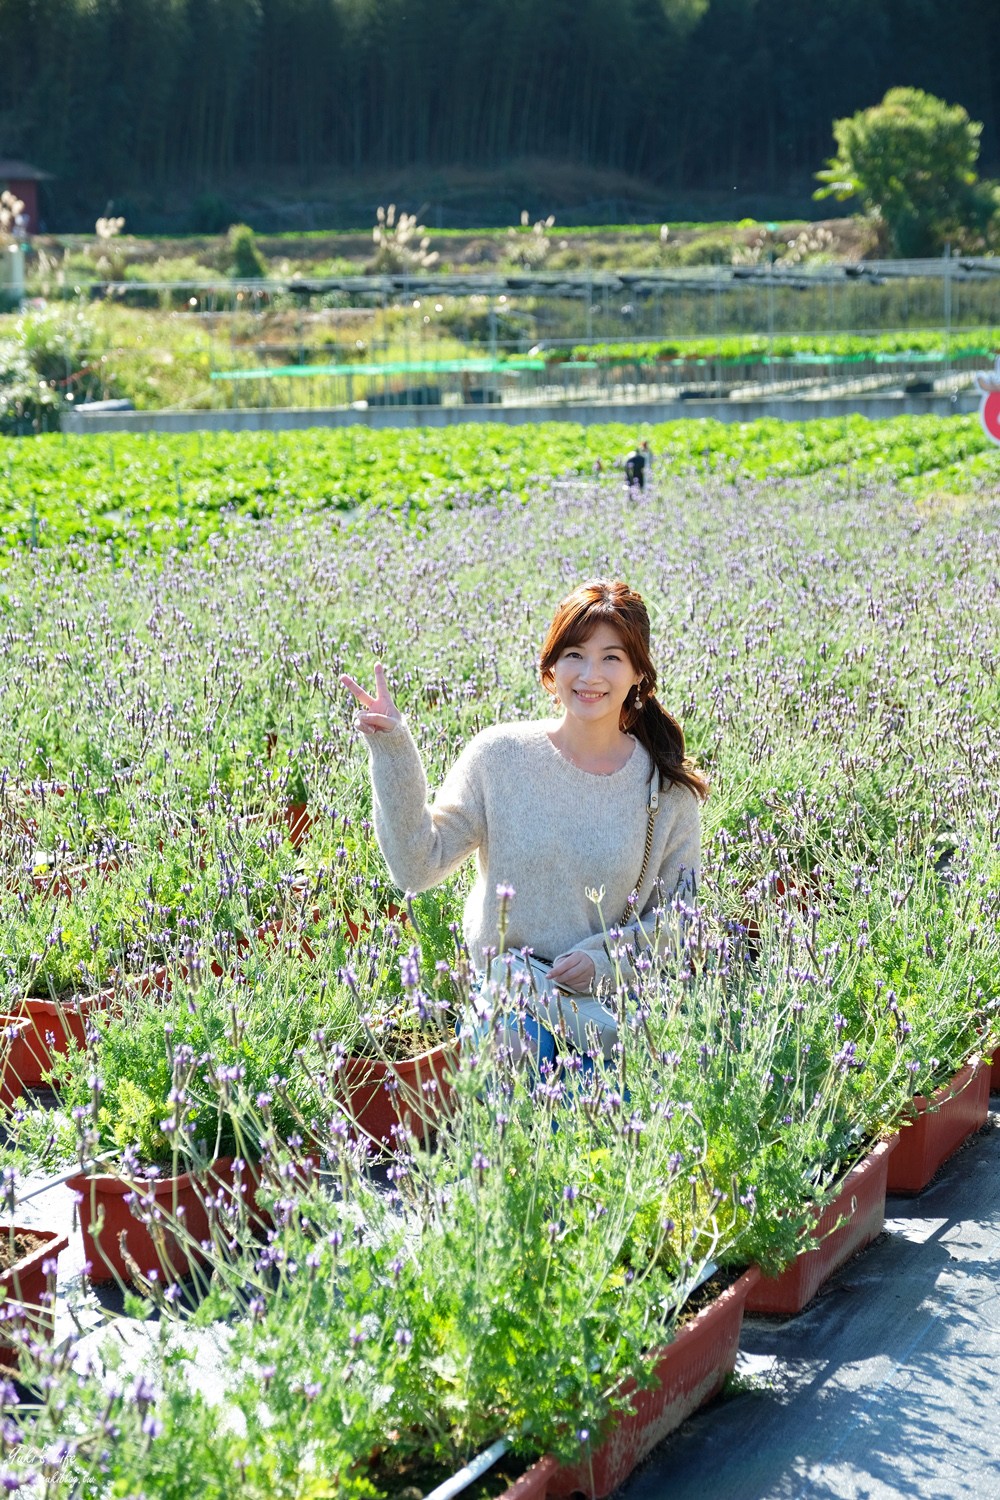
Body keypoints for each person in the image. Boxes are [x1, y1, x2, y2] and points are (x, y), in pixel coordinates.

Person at [341, 579, 706, 1063]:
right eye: (575, 654)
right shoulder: (500, 757)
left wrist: (602, 963)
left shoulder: (666, 792)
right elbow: (418, 865)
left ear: (639, 674)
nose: (590, 674)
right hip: (512, 998)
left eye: (612, 658)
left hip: (615, 1008)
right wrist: (392, 748)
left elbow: (679, 923)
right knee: (513, 1081)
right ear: (551, 667)